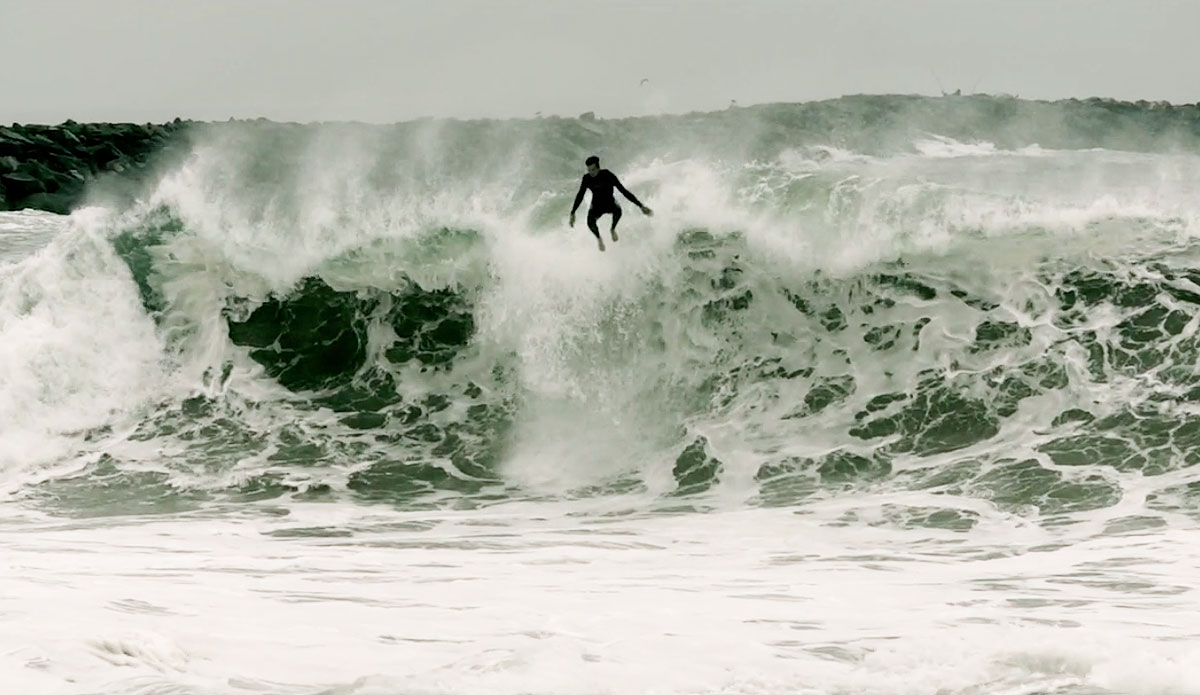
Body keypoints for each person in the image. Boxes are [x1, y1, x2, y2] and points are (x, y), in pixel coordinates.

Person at [569, 156, 652, 251]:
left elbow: (623, 191)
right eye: (589, 170)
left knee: (618, 212)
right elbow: (580, 195)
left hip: (610, 204)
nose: (591, 172)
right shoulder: (587, 179)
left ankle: (612, 229)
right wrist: (573, 212)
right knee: (590, 222)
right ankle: (599, 238)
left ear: (598, 168)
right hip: (596, 206)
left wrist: (640, 206)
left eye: (593, 170)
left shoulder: (607, 175)